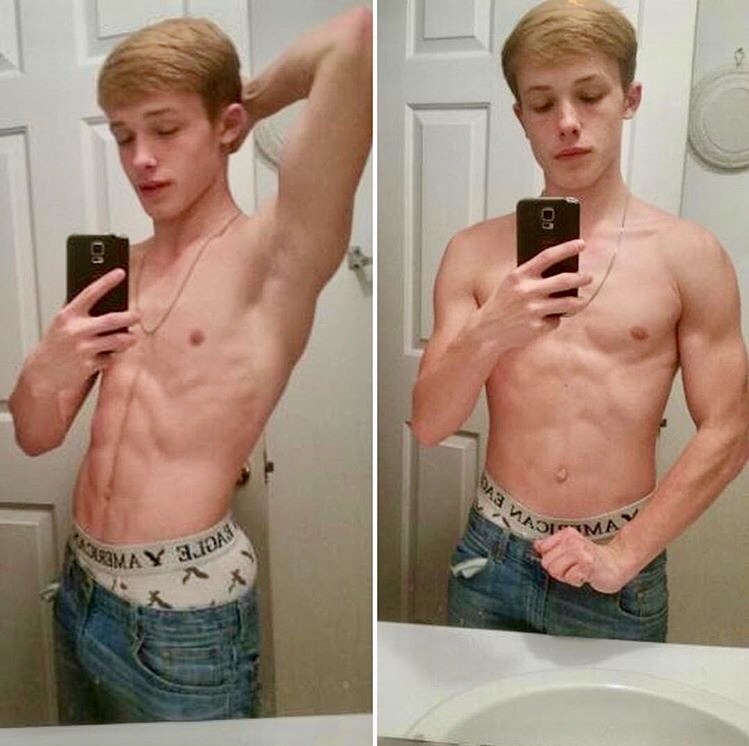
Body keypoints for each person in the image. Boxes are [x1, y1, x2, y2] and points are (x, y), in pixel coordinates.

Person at [9, 8, 371, 723]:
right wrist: (47, 365)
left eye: (166, 129)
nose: (141, 158)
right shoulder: (118, 271)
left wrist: (240, 98)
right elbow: (34, 436)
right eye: (123, 136)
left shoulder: (273, 256)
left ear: (225, 126)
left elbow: (354, 38)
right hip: (81, 592)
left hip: (183, 622)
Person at [411, 0, 747, 642]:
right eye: (542, 104)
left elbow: (730, 429)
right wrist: (492, 328)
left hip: (619, 568)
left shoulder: (689, 255)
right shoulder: (474, 254)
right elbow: (430, 425)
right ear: (520, 118)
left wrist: (623, 555)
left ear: (629, 99)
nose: (567, 122)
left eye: (590, 96)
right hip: (492, 557)